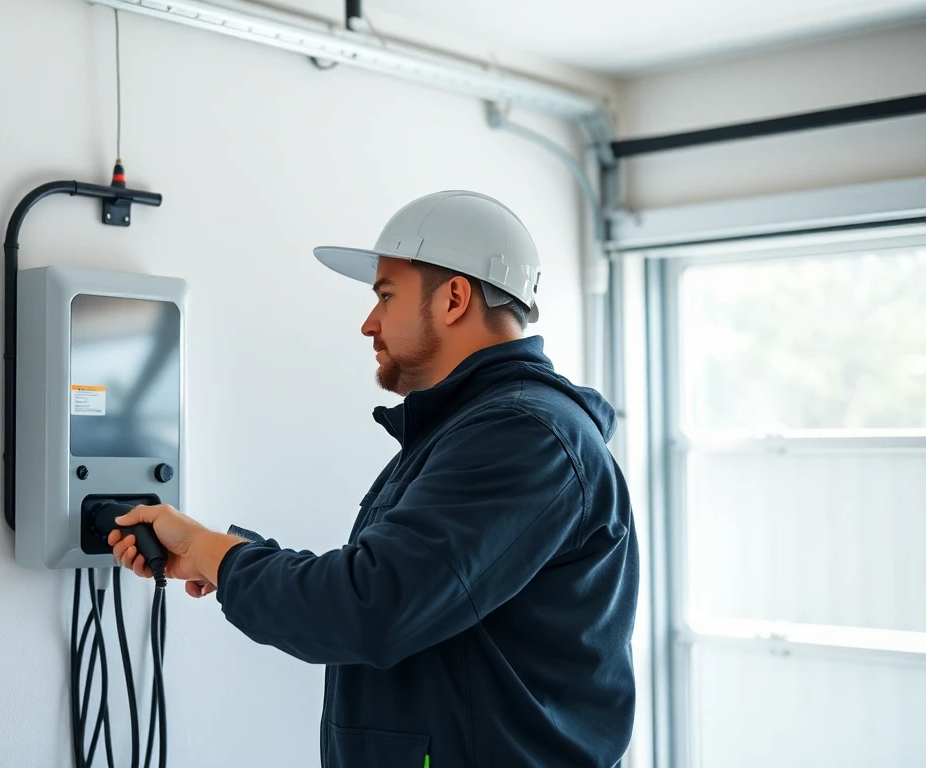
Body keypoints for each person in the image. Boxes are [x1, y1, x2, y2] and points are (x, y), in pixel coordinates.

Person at [108, 191, 638, 767]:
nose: (369, 323)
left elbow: (371, 606)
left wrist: (221, 557)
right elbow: (387, 582)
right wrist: (220, 555)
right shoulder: (472, 428)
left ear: (454, 298)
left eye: (386, 295)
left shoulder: (522, 435)